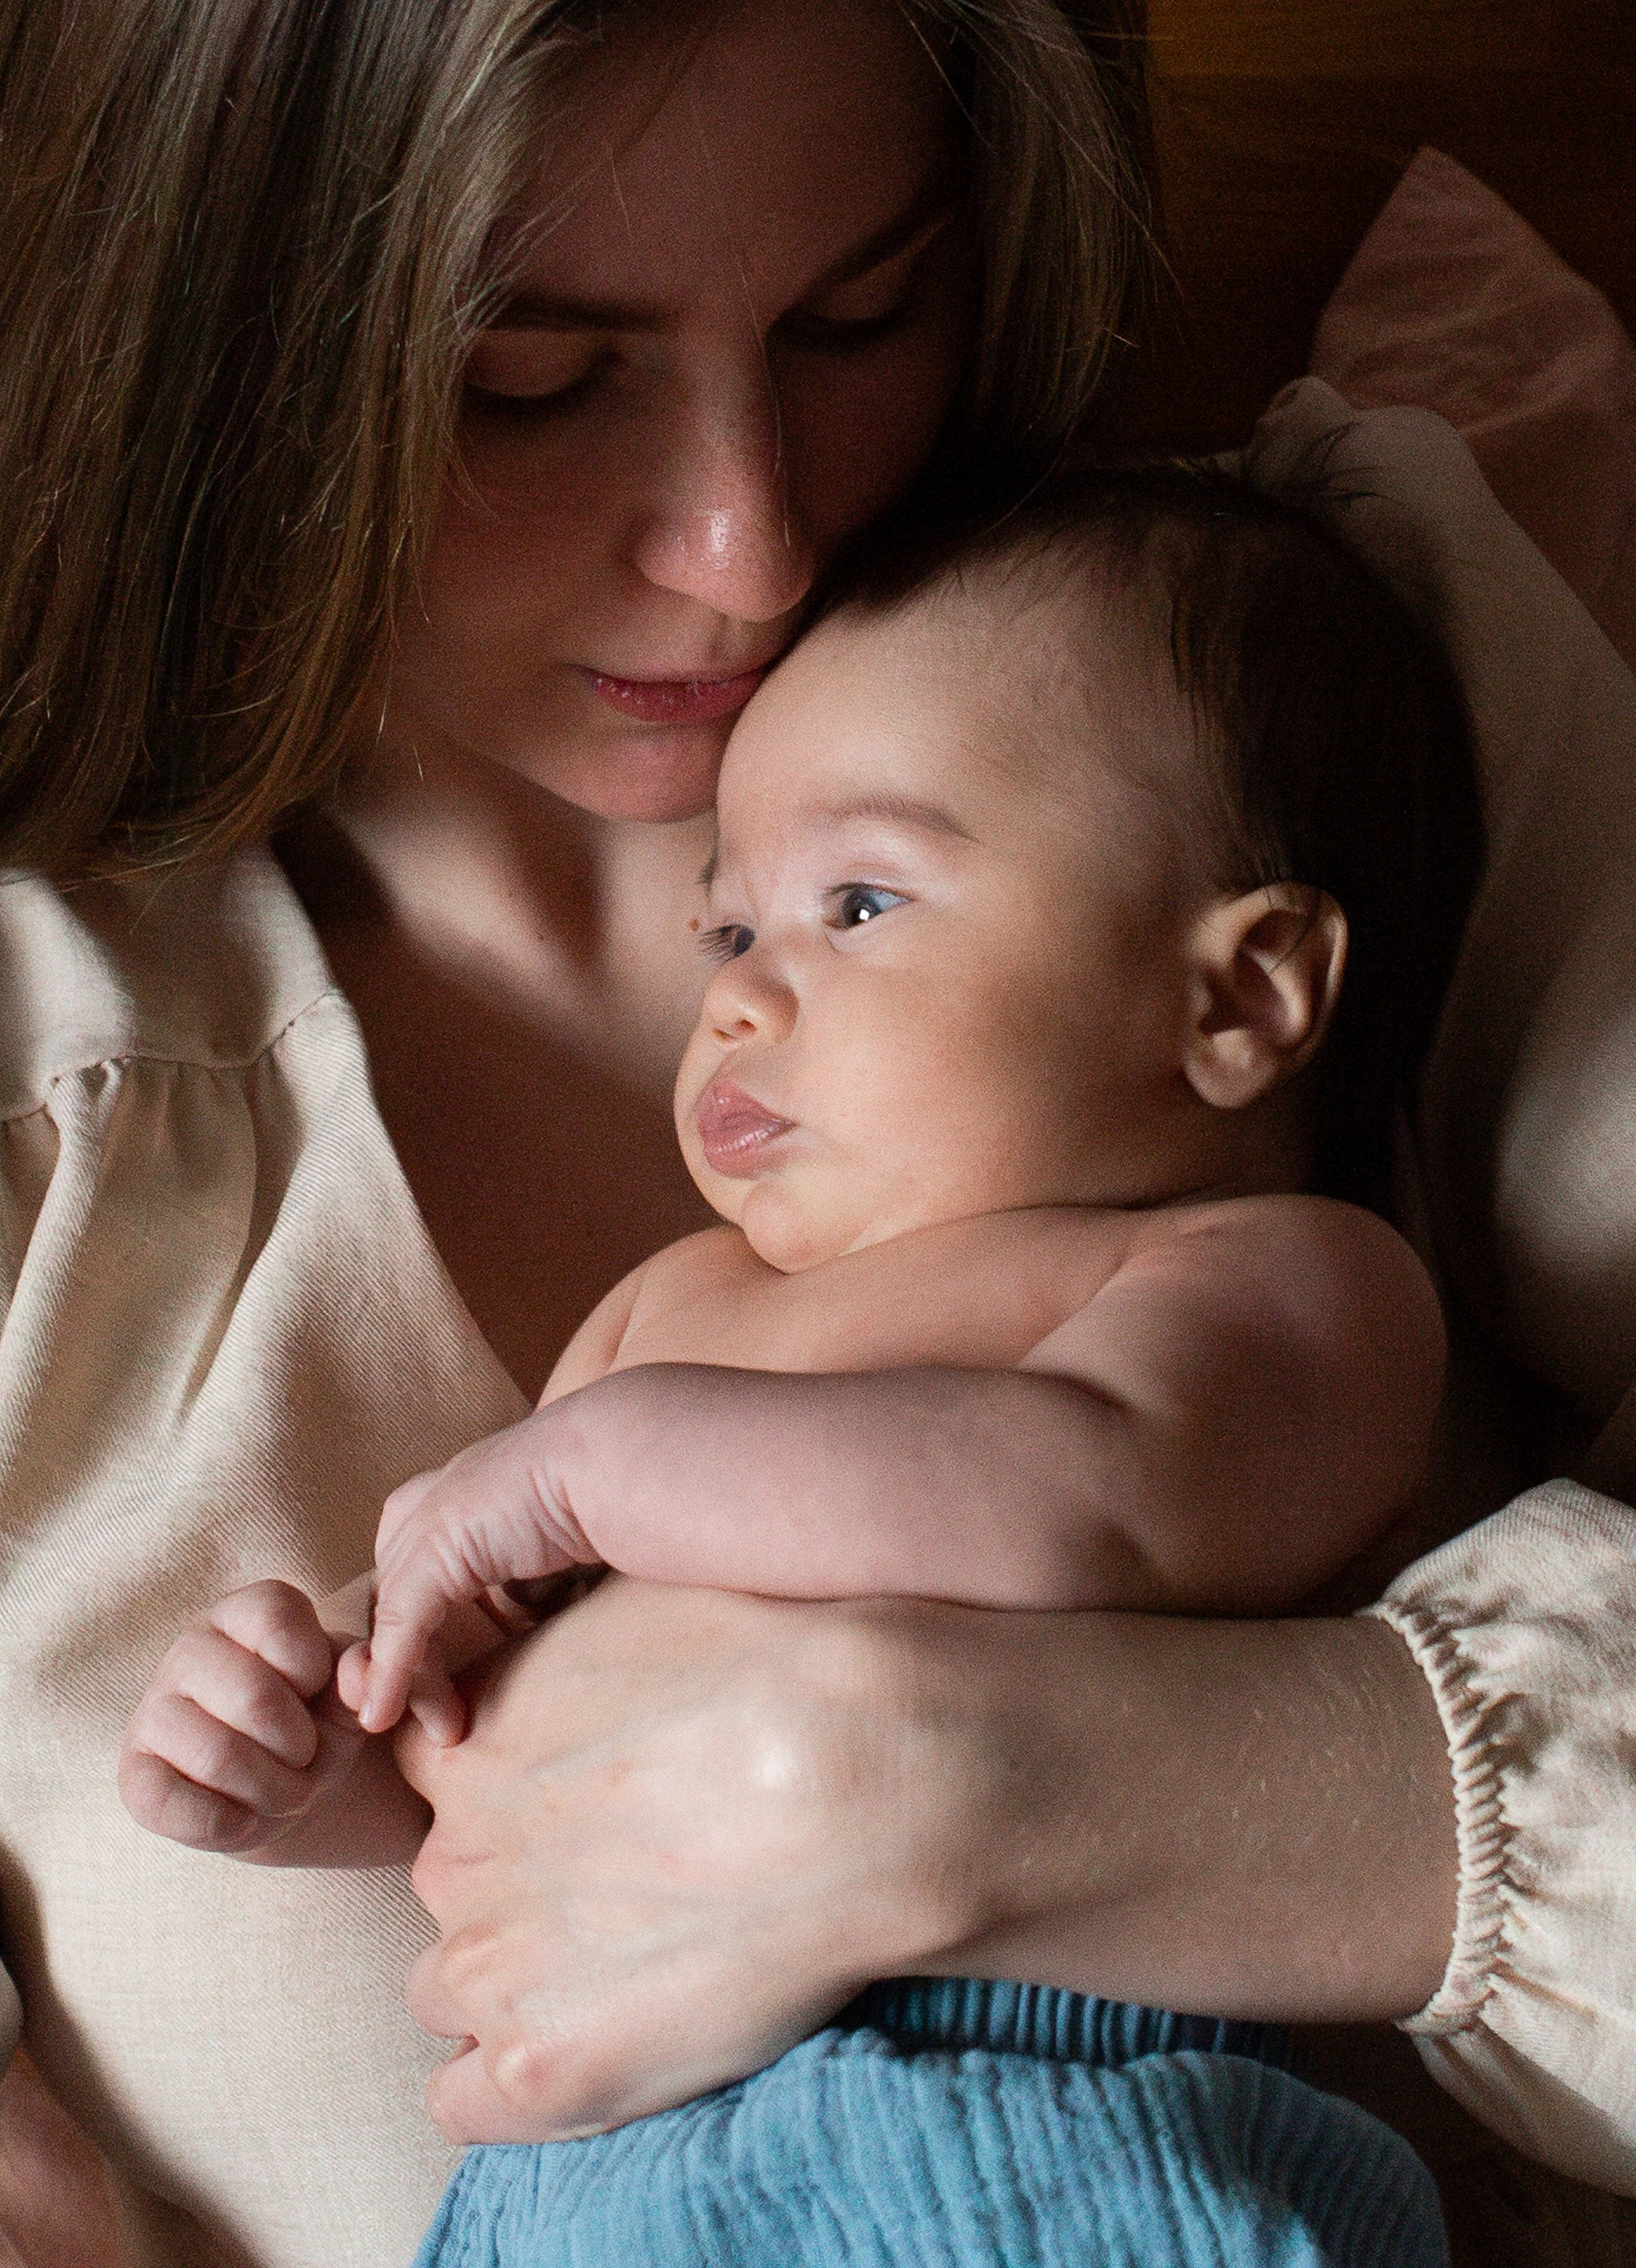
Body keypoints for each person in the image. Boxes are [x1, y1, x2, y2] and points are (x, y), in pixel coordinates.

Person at [0, 0, 1633, 2268]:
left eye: (865, 312)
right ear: (209, 345)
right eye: (532, 376)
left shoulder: (1310, 722)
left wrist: (1022, 1787)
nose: (749, 546)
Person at [121, 467, 1483, 2266]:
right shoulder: (664, 1315)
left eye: (858, 903)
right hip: (577, 2187)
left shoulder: (1282, 1279)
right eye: (729, 927)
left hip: (1036, 2145)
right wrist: (315, 1758)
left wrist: (594, 1471)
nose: (742, 1000)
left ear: (1236, 1001)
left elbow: (1084, 1500)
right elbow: (508, 1744)